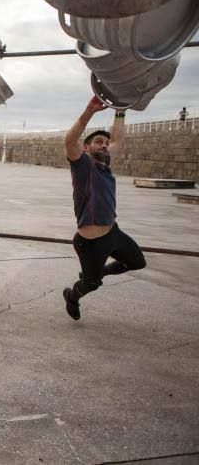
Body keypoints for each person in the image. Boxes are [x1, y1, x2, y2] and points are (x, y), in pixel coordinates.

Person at [62, 96, 146, 320]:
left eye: (106, 143)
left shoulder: (105, 166)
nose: (105, 145)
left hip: (112, 233)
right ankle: (72, 295)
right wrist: (89, 110)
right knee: (91, 284)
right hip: (89, 241)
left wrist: (120, 111)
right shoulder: (82, 165)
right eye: (99, 141)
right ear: (86, 147)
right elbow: (70, 140)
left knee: (137, 262)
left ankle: (100, 273)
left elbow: (118, 140)